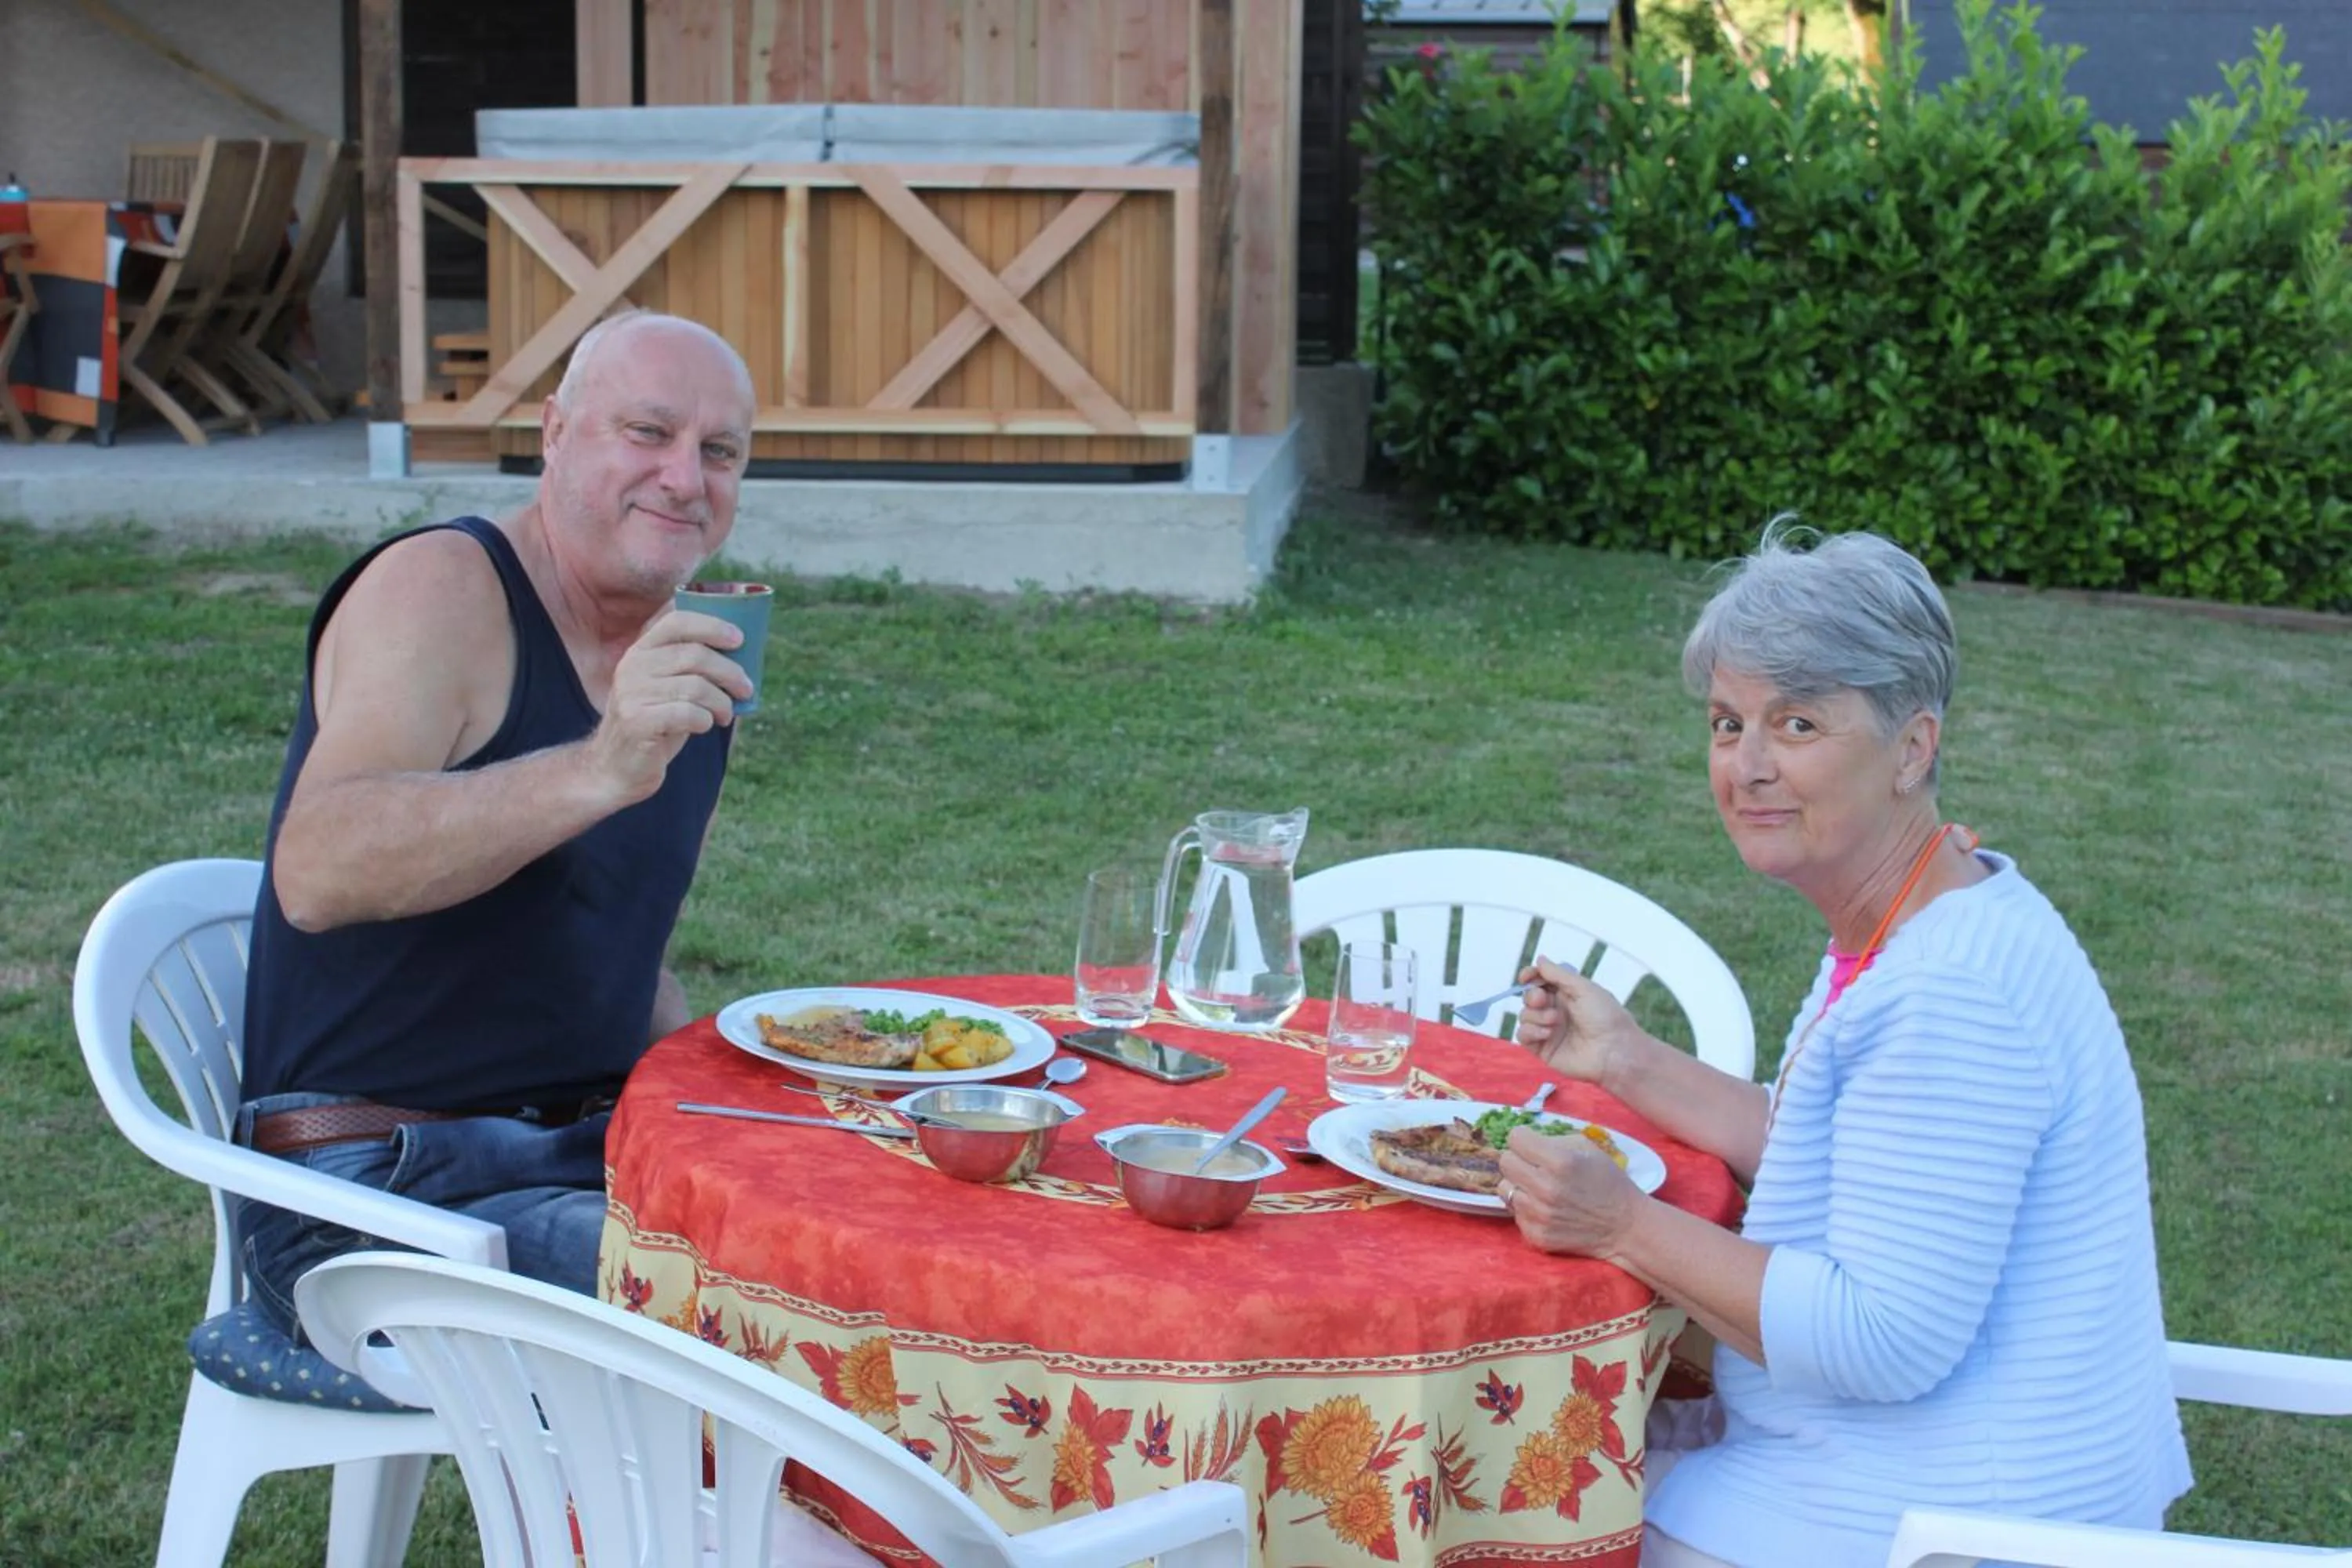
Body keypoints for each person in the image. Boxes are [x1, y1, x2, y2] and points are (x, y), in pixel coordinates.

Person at [1497, 524, 2190, 1568]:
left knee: (1505, 1506)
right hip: (1912, 1482)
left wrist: (1620, 1225)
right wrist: (1630, 1060)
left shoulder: (1951, 990)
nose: (1751, 766)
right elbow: (1863, 1164)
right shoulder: (1924, 906)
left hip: (1945, 1527)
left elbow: (1879, 1338)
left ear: (1913, 747)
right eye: (1730, 724)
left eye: (1801, 723)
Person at [234, 310, 759, 1341]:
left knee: (850, 1236)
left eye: (720, 452)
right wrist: (600, 766)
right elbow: (319, 867)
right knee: (761, 1324)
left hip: (584, 1159)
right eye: (646, 434)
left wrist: (755, 1085)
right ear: (555, 431)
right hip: (372, 1190)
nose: (685, 479)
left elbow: (601, 942)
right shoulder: (441, 588)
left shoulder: (681, 660)